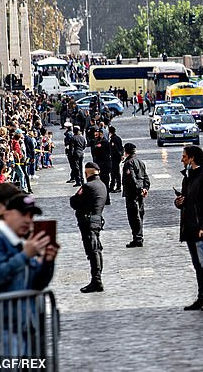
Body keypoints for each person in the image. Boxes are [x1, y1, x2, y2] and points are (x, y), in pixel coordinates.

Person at [0, 194, 58, 293]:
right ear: (7, 214)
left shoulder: (22, 243)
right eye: (22, 214)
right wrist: (25, 255)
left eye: (31, 216)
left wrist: (47, 262)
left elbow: (37, 284)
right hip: (3, 307)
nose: (28, 220)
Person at [175, 145, 203, 311]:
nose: (182, 159)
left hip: (201, 228)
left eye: (184, 156)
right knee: (197, 264)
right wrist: (178, 202)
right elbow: (184, 200)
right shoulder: (187, 177)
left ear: (192, 158)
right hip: (189, 227)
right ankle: (201, 297)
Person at [70, 163, 108, 293]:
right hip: (97, 219)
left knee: (93, 251)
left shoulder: (87, 186)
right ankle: (97, 280)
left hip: (88, 221)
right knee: (96, 249)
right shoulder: (102, 185)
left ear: (87, 173)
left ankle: (96, 281)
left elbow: (74, 202)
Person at [122, 143, 150, 248]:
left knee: (133, 216)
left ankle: (138, 238)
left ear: (126, 152)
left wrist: (139, 190)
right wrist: (145, 188)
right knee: (140, 214)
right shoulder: (140, 162)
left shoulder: (129, 163)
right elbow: (146, 177)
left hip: (132, 193)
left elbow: (132, 179)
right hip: (140, 193)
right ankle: (139, 237)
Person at [90, 128, 113, 206]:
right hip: (101, 165)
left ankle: (106, 199)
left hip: (103, 166)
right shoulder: (97, 142)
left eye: (98, 133)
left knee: (104, 183)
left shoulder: (104, 143)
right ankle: (105, 199)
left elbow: (95, 151)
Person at [108, 126, 124, 193]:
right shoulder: (118, 138)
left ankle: (117, 186)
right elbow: (121, 147)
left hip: (115, 157)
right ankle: (112, 186)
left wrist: (119, 155)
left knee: (115, 172)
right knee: (114, 172)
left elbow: (115, 149)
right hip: (117, 157)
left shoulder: (113, 139)